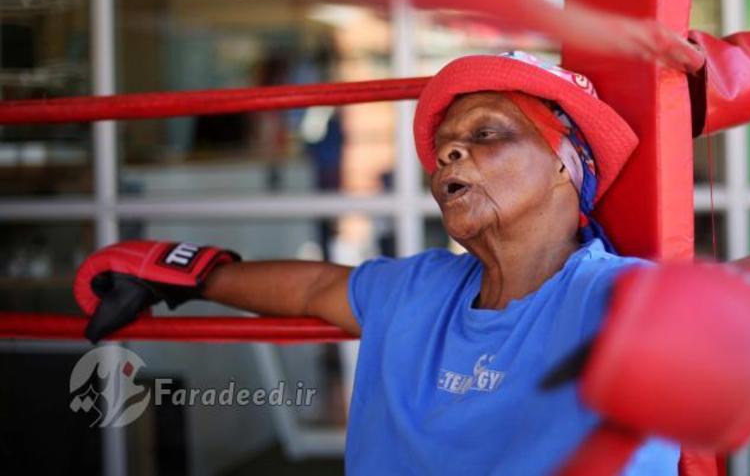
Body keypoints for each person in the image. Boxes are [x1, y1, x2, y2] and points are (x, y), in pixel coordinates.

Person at [74, 51, 679, 474]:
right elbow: (313, 287)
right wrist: (181, 270)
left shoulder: (615, 297)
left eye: (488, 132)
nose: (448, 152)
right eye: (445, 148)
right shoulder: (422, 288)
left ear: (562, 163)